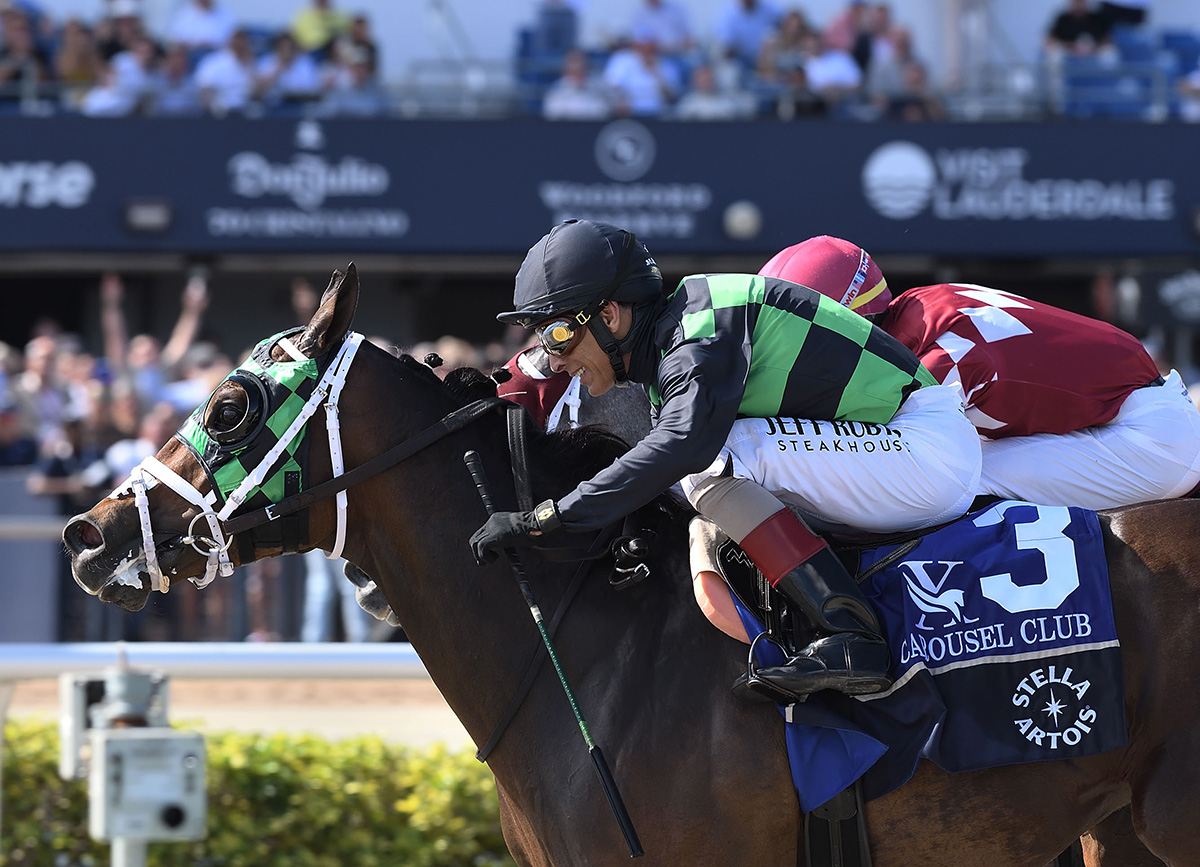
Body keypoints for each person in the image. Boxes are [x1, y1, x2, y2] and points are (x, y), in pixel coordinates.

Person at [470, 220, 982, 701]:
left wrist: (550, 517)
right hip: (902, 448)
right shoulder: (674, 339)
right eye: (542, 343)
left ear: (609, 315)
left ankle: (852, 635)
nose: (554, 361)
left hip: (924, 452)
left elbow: (682, 448)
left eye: (558, 335)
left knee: (710, 463)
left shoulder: (698, 332)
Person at [759, 236, 1200, 511]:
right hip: (1139, 415)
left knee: (948, 481)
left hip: (1149, 439)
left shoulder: (936, 359)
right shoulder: (921, 306)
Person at [542, 47, 611, 120]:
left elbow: (605, 114)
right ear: (565, 68)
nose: (578, 65)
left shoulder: (600, 88)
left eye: (580, 61)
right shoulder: (556, 93)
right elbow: (551, 118)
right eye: (573, 61)